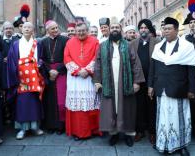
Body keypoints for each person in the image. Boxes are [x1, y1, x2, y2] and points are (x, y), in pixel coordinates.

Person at [148, 17, 195, 155]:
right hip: (161, 88)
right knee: (163, 118)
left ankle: (181, 146)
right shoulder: (158, 47)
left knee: (180, 119)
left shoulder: (187, 47)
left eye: (169, 29)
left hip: (179, 89)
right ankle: (162, 144)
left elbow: (191, 69)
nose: (166, 31)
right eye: (164, 29)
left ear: (176, 30)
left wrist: (192, 89)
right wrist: (150, 86)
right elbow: (153, 68)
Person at [93, 17, 145, 147]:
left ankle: (128, 135)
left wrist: (137, 82)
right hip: (108, 83)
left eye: (117, 27)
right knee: (111, 109)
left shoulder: (128, 45)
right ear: (109, 30)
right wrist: (97, 81)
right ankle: (114, 134)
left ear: (120, 30)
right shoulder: (102, 46)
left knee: (127, 109)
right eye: (113, 28)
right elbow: (98, 64)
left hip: (125, 84)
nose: (115, 30)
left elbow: (136, 63)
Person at [7, 22, 45, 140]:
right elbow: (11, 61)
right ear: (21, 29)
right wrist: (16, 75)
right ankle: (22, 129)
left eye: (29, 27)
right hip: (21, 77)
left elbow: (42, 58)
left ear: (33, 30)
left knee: (34, 102)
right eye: (25, 27)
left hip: (34, 76)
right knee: (22, 103)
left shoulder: (38, 43)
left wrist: (40, 64)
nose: (27, 29)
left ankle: (35, 126)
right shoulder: (15, 44)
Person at [64, 22, 100, 140]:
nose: (81, 33)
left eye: (83, 30)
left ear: (87, 30)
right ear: (75, 31)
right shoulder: (69, 42)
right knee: (78, 106)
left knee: (91, 104)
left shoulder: (95, 41)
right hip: (75, 79)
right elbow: (66, 58)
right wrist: (78, 71)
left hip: (89, 78)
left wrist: (88, 70)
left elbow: (97, 57)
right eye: (78, 31)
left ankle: (93, 130)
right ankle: (78, 131)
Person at [131, 19, 160, 145]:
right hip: (138, 81)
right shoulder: (133, 43)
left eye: (145, 27)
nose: (143, 29)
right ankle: (140, 131)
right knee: (139, 106)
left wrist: (153, 83)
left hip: (152, 80)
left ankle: (152, 132)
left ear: (149, 29)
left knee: (152, 106)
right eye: (141, 28)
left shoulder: (157, 43)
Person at [41, 21, 69, 134]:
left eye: (56, 28)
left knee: (61, 100)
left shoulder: (65, 40)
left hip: (61, 72)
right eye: (53, 28)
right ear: (48, 30)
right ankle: (51, 125)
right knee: (50, 100)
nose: (56, 30)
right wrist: (49, 70)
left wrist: (57, 70)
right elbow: (41, 58)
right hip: (49, 73)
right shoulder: (43, 42)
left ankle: (61, 126)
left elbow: (67, 57)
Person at [1, 21, 19, 123]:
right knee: (4, 96)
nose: (8, 30)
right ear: (3, 30)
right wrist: (1, 59)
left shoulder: (17, 40)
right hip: (3, 73)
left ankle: (14, 116)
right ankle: (5, 117)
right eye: (6, 28)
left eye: (10, 28)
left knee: (14, 95)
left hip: (14, 73)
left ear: (13, 30)